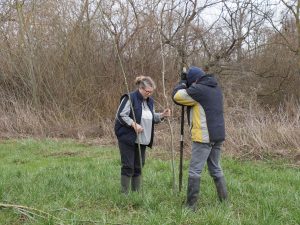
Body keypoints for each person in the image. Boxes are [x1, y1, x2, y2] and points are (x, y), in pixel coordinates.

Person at [172, 66, 228, 210]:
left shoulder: (199, 90)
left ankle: (191, 207)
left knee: (194, 170)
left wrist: (183, 82)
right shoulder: (215, 88)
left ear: (194, 80)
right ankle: (224, 201)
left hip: (204, 136)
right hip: (218, 136)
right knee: (215, 168)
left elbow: (177, 96)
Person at [114, 75, 171, 194]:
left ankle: (136, 193)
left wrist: (162, 116)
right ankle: (124, 194)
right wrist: (133, 124)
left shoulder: (150, 101)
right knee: (128, 165)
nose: (149, 94)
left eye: (151, 92)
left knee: (139, 166)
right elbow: (120, 115)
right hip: (128, 138)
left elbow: (150, 117)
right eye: (147, 91)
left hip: (142, 139)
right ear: (141, 88)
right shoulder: (130, 98)